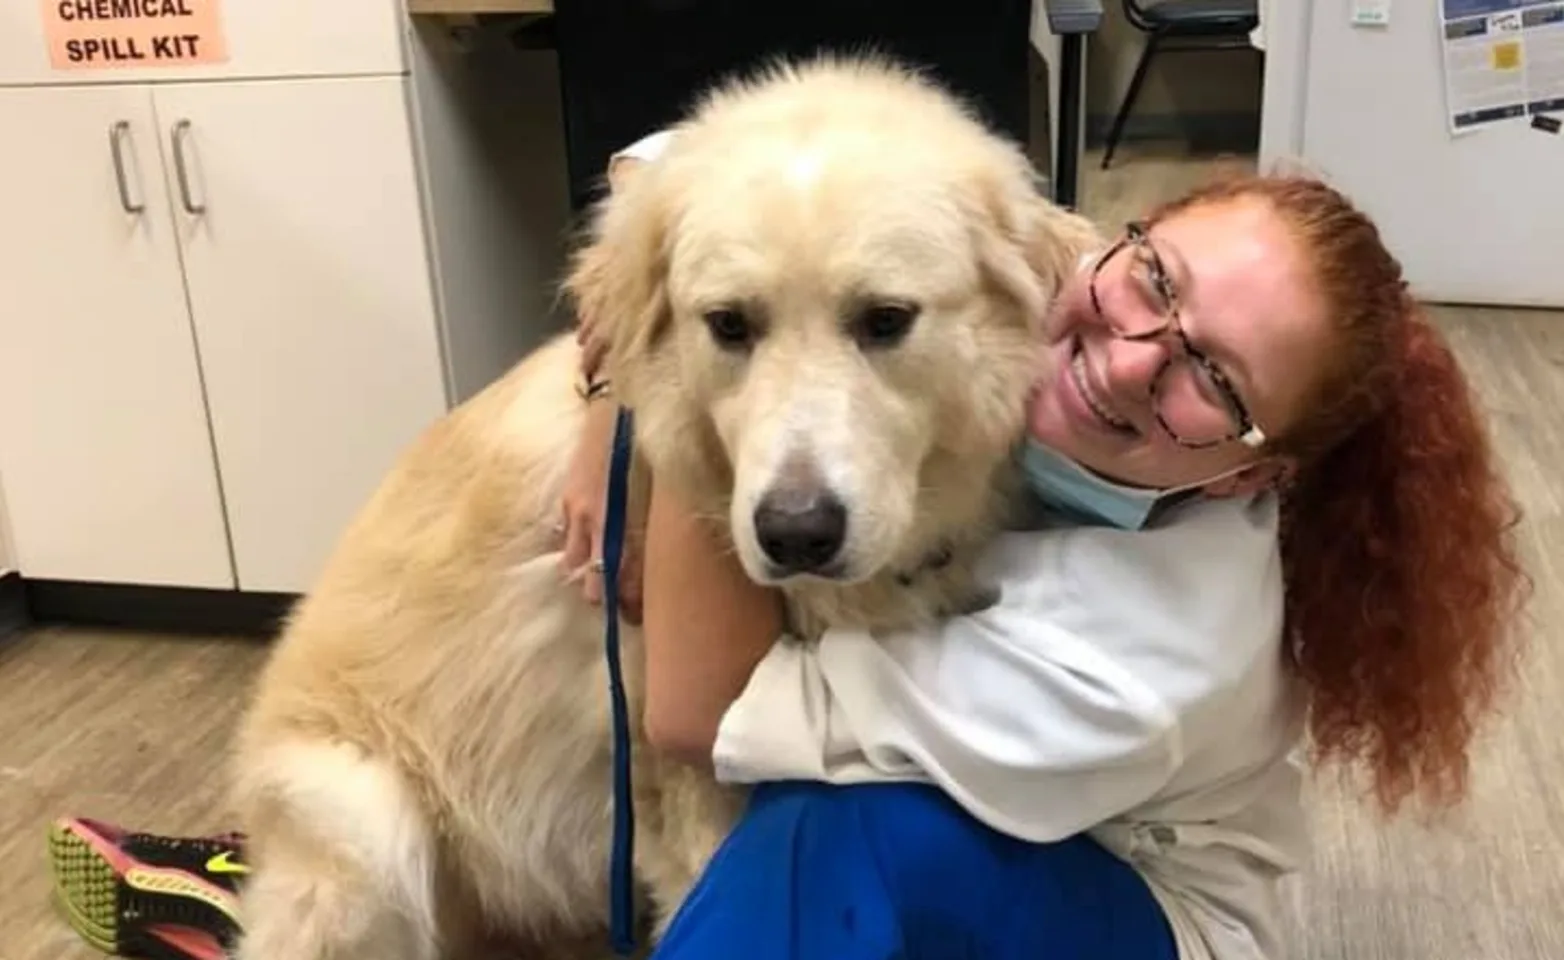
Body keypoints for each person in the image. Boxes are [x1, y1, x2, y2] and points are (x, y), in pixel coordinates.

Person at [558, 135, 1529, 960]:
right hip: (1031, 788)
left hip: (1130, 889)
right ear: (1123, 242)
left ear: (1247, 474)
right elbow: (738, 166)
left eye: (1216, 381)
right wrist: (633, 316)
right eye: (1158, 278)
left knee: (834, 834)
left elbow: (701, 713)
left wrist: (670, 390)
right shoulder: (1057, 277)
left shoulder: (1143, 667)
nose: (1130, 356)